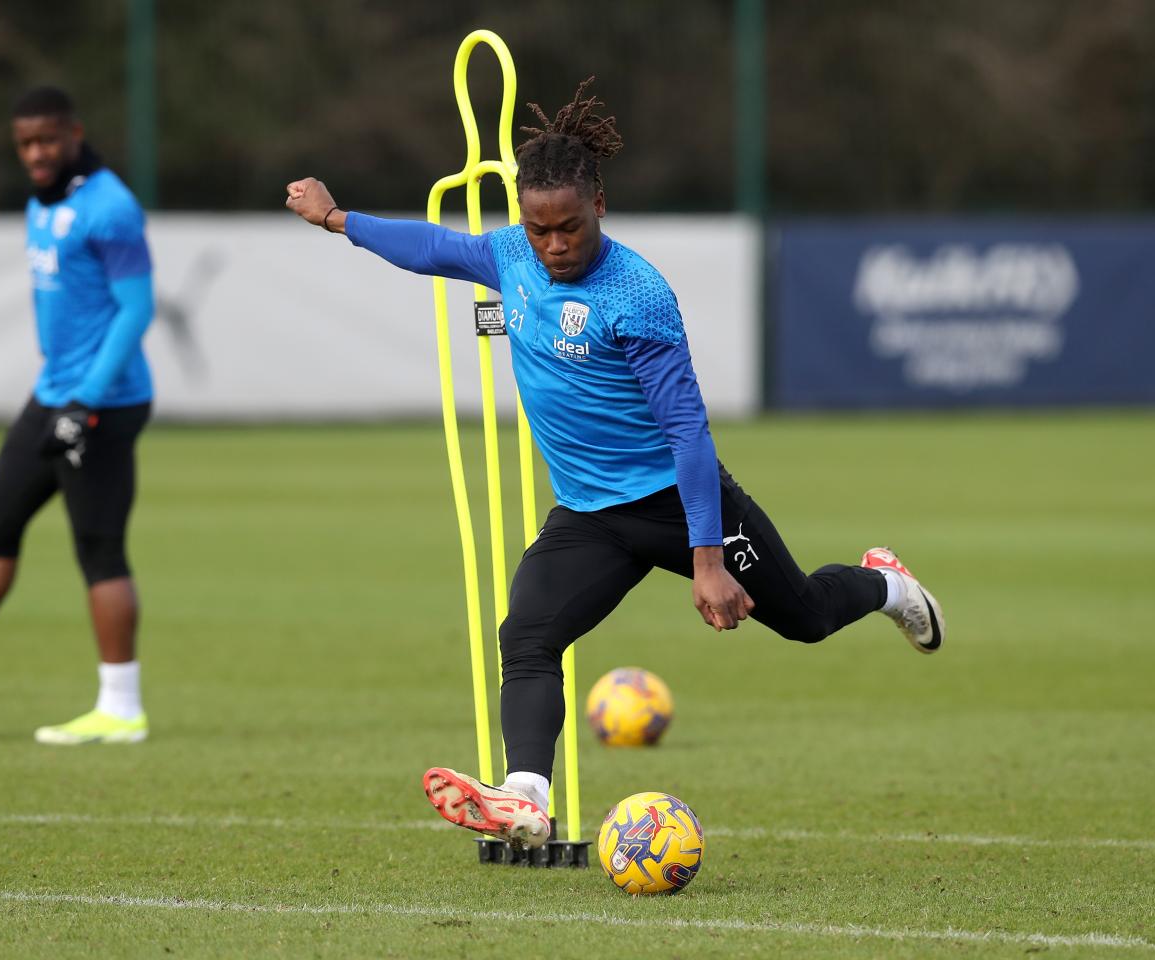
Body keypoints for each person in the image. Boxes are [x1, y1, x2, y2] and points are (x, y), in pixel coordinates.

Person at [285, 79, 944, 849]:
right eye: (539, 231)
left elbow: (689, 433)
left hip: (680, 504)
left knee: (803, 619)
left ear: (600, 205)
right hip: (589, 516)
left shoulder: (639, 295)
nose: (554, 245)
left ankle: (887, 583)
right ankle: (526, 796)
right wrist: (337, 220)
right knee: (527, 635)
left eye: (568, 227)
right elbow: (433, 248)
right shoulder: (511, 256)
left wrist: (706, 559)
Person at [0, 86, 156, 745]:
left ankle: (121, 706)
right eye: (25, 142)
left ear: (73, 133)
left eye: (47, 139)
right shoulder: (42, 202)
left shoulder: (110, 208)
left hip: (103, 403)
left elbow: (136, 310)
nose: (36, 153)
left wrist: (86, 401)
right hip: (53, 395)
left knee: (98, 548)